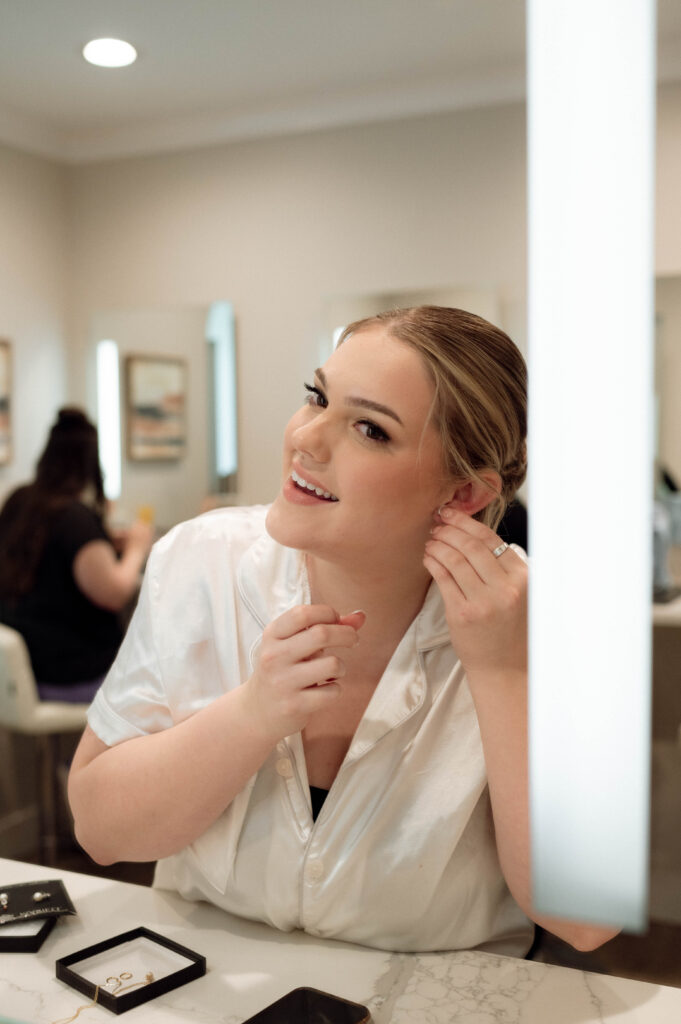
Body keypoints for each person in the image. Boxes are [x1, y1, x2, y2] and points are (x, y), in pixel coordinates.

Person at [68, 308, 618, 955]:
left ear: (464, 493)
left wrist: (500, 673)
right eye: (316, 397)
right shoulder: (198, 560)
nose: (307, 438)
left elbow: (583, 921)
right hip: (206, 984)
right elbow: (100, 831)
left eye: (368, 428)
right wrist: (251, 714)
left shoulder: (547, 618)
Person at [0, 407, 153, 702]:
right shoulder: (75, 520)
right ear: (89, 463)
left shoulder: (19, 502)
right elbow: (114, 592)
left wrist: (105, 542)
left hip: (18, 672)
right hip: (67, 672)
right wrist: (137, 548)